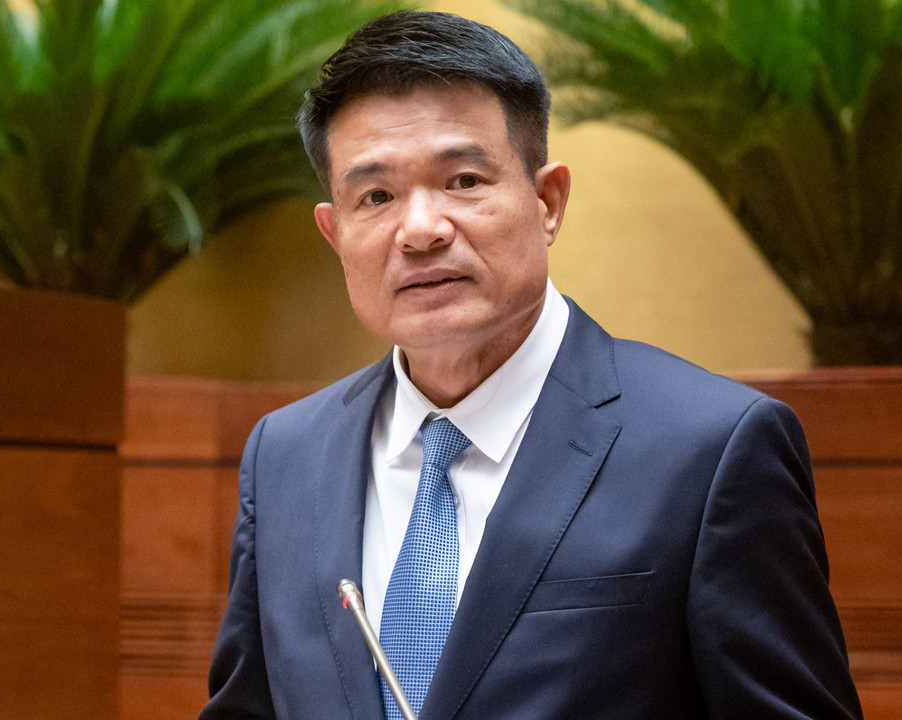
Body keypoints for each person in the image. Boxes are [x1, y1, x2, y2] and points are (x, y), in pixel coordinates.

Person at [201, 10, 863, 720]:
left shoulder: (711, 450)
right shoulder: (285, 456)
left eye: (463, 180)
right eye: (377, 197)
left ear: (548, 203)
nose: (420, 230)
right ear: (336, 234)